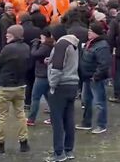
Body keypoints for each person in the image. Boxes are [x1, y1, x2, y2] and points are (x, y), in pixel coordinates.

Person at [0, 24, 30, 154]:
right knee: (20, 114)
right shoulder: (26, 47)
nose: (6, 35)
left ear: (14, 35)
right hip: (20, 86)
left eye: (9, 33)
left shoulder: (8, 49)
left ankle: (0, 143)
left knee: (2, 116)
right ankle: (24, 142)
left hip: (5, 86)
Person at [46, 25, 80, 162]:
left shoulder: (61, 45)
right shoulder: (73, 44)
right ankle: (68, 149)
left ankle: (58, 153)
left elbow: (58, 68)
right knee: (69, 119)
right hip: (72, 83)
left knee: (57, 121)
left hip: (61, 85)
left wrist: (52, 85)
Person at [77, 22, 111, 134]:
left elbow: (104, 64)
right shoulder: (90, 43)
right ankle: (86, 122)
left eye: (90, 31)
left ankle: (102, 125)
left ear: (96, 33)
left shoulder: (102, 45)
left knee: (99, 102)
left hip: (95, 78)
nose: (88, 32)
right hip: (87, 77)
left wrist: (96, 76)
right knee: (86, 100)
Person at [27, 29, 54, 126]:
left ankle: (31, 119)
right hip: (48, 75)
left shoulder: (45, 46)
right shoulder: (52, 45)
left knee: (35, 97)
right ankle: (53, 118)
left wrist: (34, 45)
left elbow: (34, 54)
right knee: (49, 97)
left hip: (41, 75)